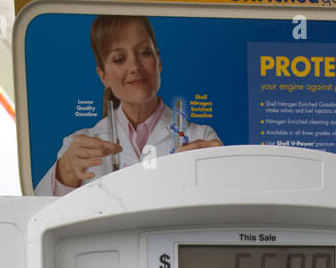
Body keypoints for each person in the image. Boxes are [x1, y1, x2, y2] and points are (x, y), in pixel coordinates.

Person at [35, 15, 221, 195]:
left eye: (144, 53)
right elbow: (38, 216)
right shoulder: (79, 147)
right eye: (119, 59)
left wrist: (225, 171)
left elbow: (228, 210)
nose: (135, 67)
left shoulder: (201, 137)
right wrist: (63, 174)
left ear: (159, 61)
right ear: (103, 76)